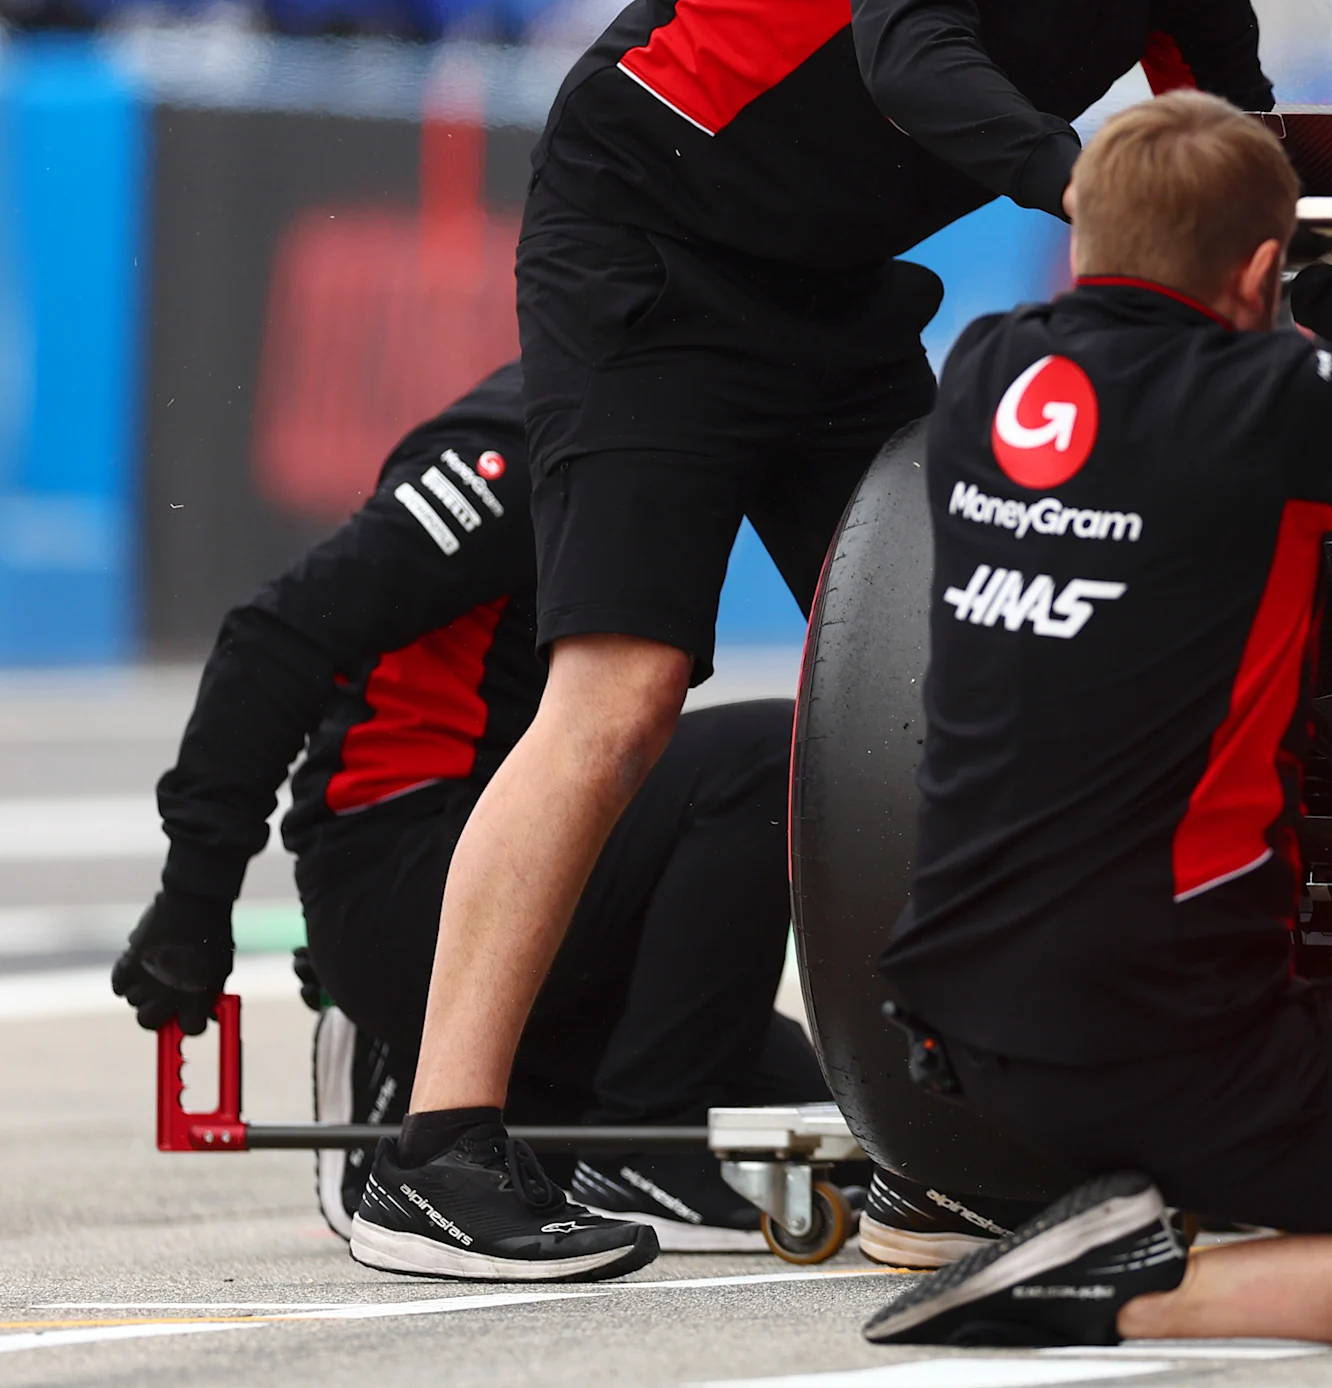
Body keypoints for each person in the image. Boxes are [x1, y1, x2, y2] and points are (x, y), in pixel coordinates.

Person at [347, 0, 1332, 1282]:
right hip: (645, 244)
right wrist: (1100, 187)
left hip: (824, 293)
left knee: (988, 675)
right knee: (628, 684)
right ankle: (432, 1149)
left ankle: (955, 1140)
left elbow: (1248, 153)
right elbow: (911, 55)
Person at [861, 94, 1332, 1347]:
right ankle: (1123, 1292)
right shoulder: (1267, 401)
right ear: (1267, 272)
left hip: (958, 1017)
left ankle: (1114, 1238)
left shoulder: (986, 374)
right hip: (1164, 1033)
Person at [107, 365, 819, 1278]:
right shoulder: (521, 451)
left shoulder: (673, 427)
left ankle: (515, 1102)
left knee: (811, 1102)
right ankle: (638, 1152)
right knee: (771, 759)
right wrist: (193, 902)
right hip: (403, 877)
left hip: (549, 887)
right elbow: (276, 633)